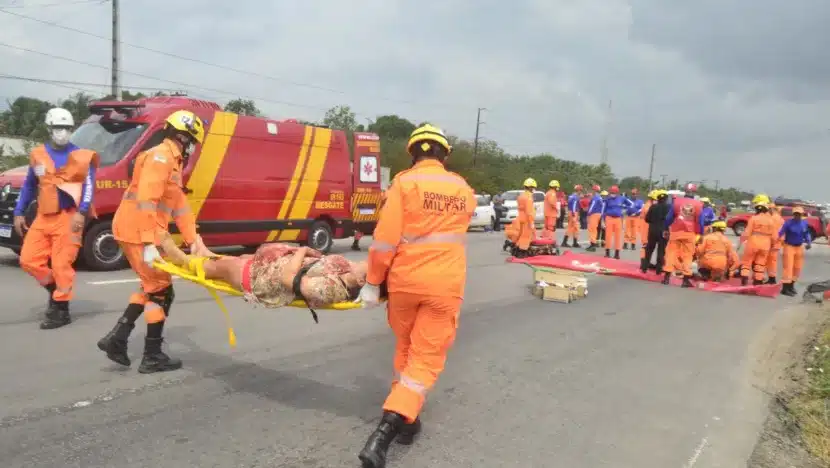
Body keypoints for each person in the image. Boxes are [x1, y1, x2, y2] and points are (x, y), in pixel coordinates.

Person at [354, 124, 474, 468]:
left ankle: (408, 419)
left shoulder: (405, 183)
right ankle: (386, 430)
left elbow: (384, 240)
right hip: (444, 285)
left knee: (407, 349)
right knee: (424, 358)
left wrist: (373, 281)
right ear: (444, 154)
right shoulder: (463, 189)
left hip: (405, 284)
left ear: (413, 153)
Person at [96, 110, 208, 374]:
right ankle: (151, 355)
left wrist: (194, 240)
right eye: (193, 141)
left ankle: (117, 338)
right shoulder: (160, 157)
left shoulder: (172, 160)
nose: (193, 148)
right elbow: (147, 201)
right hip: (139, 231)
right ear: (184, 137)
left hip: (139, 230)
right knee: (161, 290)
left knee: (151, 286)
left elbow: (180, 206)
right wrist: (148, 243)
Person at [14, 107, 98, 330]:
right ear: (49, 128)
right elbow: (29, 186)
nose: (62, 132)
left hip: (69, 217)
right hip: (43, 217)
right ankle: (54, 289)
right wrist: (19, 212)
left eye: (67, 128)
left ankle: (61, 310)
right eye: (58, 127)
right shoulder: (38, 155)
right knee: (28, 260)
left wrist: (82, 212)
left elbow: (89, 186)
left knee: (62, 264)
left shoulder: (80, 156)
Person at [157, 235, 368, 308]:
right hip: (269, 267)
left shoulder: (332, 289)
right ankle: (205, 253)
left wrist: (301, 251)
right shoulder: (347, 269)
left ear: (361, 280)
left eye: (369, 264)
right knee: (241, 258)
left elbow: (289, 280)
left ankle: (184, 260)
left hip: (263, 282)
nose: (366, 260)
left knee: (229, 267)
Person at [662, 186, 704, 287]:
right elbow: (700, 222)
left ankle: (666, 278)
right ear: (694, 192)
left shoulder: (676, 202)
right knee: (688, 256)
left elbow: (669, 218)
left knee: (671, 253)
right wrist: (700, 233)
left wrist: (665, 228)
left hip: (676, 231)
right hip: (690, 233)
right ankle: (685, 280)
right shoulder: (698, 205)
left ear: (685, 191)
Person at [738, 194, 775, 286]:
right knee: (760, 263)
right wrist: (773, 245)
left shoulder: (753, 218)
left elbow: (746, 232)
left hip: (753, 243)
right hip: (765, 245)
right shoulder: (771, 220)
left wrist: (741, 242)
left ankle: (744, 278)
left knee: (747, 262)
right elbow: (774, 236)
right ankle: (758, 280)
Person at [778, 206, 811, 296]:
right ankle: (785, 288)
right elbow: (780, 233)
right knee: (788, 267)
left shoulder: (804, 224)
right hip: (789, 247)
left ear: (801, 214)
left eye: (799, 214)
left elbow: (806, 233)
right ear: (793, 214)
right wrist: (776, 241)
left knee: (797, 268)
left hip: (799, 247)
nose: (797, 215)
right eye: (796, 214)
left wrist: (808, 242)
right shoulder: (788, 223)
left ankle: (791, 286)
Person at [641, 190, 670, 274]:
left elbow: (647, 219)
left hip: (653, 230)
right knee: (661, 250)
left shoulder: (653, 207)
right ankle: (658, 269)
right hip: (665, 231)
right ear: (666, 199)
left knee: (649, 249)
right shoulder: (669, 207)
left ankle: (644, 268)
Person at [601, 185, 631, 259]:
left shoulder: (622, 198)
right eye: (611, 192)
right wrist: (602, 221)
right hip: (609, 218)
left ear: (617, 193)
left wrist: (625, 210)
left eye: (614, 193)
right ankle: (607, 252)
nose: (612, 194)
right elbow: (603, 211)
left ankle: (617, 253)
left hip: (618, 219)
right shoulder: (607, 200)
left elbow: (631, 205)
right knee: (608, 236)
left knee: (618, 236)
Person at [765, 204, 785, 284]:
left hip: (772, 243)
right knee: (773, 261)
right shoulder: (781, 219)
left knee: (769, 261)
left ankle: (771, 279)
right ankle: (771, 278)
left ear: (771, 209)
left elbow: (772, 232)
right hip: (778, 243)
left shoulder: (772, 218)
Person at [585, 185, 604, 251]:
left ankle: (592, 245)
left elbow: (592, 206)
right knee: (594, 229)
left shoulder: (595, 198)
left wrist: (588, 214)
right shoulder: (600, 197)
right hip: (598, 214)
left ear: (594, 190)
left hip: (594, 214)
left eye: (592, 190)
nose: (592, 191)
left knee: (592, 229)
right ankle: (593, 244)